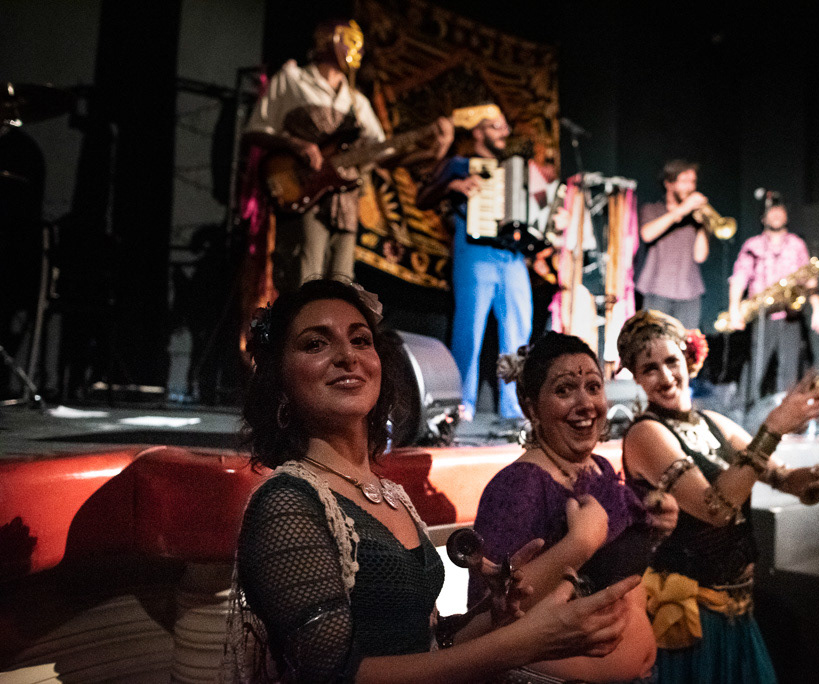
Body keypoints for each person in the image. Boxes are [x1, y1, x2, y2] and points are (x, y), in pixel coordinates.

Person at [223, 278, 643, 683]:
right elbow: (333, 675)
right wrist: (521, 643)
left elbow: (431, 645)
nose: (348, 355)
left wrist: (491, 615)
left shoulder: (390, 495)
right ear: (279, 379)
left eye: (361, 340)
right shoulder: (287, 503)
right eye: (316, 343)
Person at [616, 309, 819, 683]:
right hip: (691, 622)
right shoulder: (646, 434)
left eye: (671, 361)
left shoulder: (714, 423)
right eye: (650, 369)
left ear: (688, 359)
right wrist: (772, 428)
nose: (665, 376)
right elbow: (715, 508)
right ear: (636, 377)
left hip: (739, 612)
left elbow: (783, 478)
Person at [470, 331, 678, 682]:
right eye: (565, 390)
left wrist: (656, 519)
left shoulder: (599, 468)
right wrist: (579, 544)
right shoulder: (517, 487)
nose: (586, 404)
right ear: (531, 407)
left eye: (594, 387)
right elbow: (485, 621)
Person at [243, 18, 451, 290]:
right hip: (303, 190)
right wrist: (296, 145)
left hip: (345, 201)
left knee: (340, 285)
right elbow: (255, 131)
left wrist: (431, 151)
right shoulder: (292, 79)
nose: (358, 50)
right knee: (304, 280)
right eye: (350, 40)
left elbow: (384, 154)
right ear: (327, 40)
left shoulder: (357, 102)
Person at [416, 103, 532, 423]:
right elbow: (422, 198)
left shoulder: (516, 171)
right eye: (497, 126)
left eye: (505, 126)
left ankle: (514, 407)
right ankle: (461, 404)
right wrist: (451, 186)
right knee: (469, 332)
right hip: (475, 254)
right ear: (478, 132)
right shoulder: (458, 164)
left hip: (512, 257)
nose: (505, 132)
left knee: (518, 333)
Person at [728, 201, 819, 399]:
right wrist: (733, 308)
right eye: (771, 211)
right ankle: (746, 410)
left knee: (789, 372)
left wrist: (818, 309)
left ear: (786, 216)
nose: (776, 214)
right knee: (755, 368)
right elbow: (739, 276)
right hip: (763, 315)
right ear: (763, 218)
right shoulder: (753, 245)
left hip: (791, 314)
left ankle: (785, 411)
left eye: (780, 210)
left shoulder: (797, 244)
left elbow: (809, 278)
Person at [635, 160, 710, 329]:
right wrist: (683, 209)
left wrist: (703, 226)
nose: (690, 187)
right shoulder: (652, 210)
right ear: (669, 183)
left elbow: (700, 256)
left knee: (688, 343)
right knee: (654, 341)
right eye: (684, 181)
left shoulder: (695, 219)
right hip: (657, 289)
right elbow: (647, 234)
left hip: (689, 292)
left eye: (693, 182)